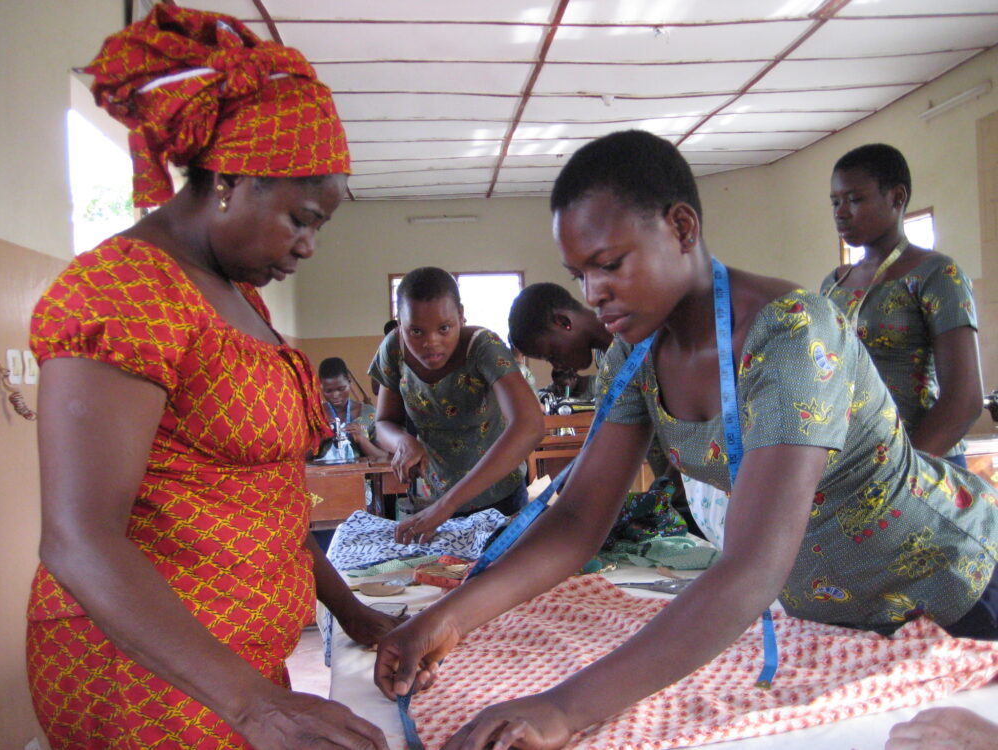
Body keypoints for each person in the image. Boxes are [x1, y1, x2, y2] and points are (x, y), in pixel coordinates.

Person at [372, 130, 998, 750]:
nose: (594, 294)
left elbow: (751, 565)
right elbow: (580, 517)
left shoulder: (792, 336)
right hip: (831, 616)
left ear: (681, 227)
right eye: (579, 275)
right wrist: (443, 621)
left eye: (609, 264)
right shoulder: (636, 354)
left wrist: (563, 707)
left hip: (954, 593)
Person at [27, 8, 397, 749]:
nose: (309, 246)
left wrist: (352, 613)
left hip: (240, 669)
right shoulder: (124, 292)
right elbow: (79, 539)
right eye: (301, 218)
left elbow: (269, 502)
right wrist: (257, 707)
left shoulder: (239, 297)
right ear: (231, 177)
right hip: (150, 678)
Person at [822, 143, 983, 467]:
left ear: (897, 197)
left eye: (854, 200)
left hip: (922, 466)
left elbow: (964, 400)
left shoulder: (936, 274)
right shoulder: (834, 284)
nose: (841, 212)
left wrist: (904, 471)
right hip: (854, 464)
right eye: (836, 202)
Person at [510, 281, 704, 538]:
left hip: (701, 489)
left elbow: (696, 426)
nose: (557, 364)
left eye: (552, 354)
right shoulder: (608, 357)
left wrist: (668, 488)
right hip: (678, 493)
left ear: (563, 322)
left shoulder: (643, 338)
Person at [369, 266, 544, 544]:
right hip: (437, 498)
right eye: (415, 331)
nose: (431, 343)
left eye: (444, 328)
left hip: (500, 497)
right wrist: (403, 441)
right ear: (399, 322)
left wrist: (447, 505)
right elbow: (383, 423)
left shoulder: (483, 347)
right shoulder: (393, 350)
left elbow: (530, 424)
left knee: (500, 576)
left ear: (461, 316)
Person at [318, 356, 388, 461]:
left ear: (349, 383)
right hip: (321, 477)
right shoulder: (315, 415)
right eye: (328, 391)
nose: (335, 395)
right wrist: (319, 438)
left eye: (341, 389)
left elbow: (384, 457)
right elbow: (299, 457)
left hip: (361, 477)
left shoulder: (369, 414)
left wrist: (362, 440)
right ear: (321, 387)